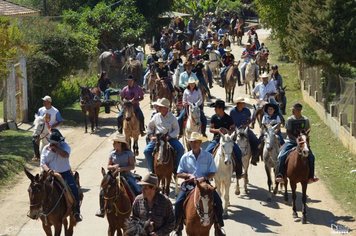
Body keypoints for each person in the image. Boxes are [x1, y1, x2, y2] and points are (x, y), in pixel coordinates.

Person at [173, 132, 225, 236]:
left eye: (196, 142)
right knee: (178, 202)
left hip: (204, 184)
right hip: (190, 184)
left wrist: (205, 177)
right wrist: (188, 176)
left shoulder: (208, 156)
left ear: (200, 143)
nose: (193, 144)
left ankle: (219, 226)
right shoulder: (185, 157)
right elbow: (179, 173)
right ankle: (177, 226)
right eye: (192, 142)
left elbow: (212, 172)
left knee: (218, 202)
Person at [40, 130, 82, 222]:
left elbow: (65, 155)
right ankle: (38, 209)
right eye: (51, 143)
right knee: (37, 188)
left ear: (59, 142)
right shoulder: (45, 149)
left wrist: (57, 149)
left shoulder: (65, 146)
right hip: (50, 173)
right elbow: (43, 163)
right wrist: (48, 170)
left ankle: (76, 211)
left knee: (74, 189)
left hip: (64, 173)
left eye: (55, 143)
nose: (52, 145)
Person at [95, 133, 142, 218]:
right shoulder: (112, 153)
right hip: (113, 175)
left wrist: (123, 168)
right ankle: (102, 209)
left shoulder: (129, 153)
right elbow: (108, 166)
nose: (113, 144)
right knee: (103, 190)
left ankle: (137, 209)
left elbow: (132, 166)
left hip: (126, 175)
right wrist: (113, 166)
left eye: (115, 142)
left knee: (137, 188)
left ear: (120, 143)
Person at [275, 103, 319, 184]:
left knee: (311, 157)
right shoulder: (290, 120)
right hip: (291, 142)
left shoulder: (305, 120)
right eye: (294, 110)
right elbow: (288, 132)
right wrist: (296, 140)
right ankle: (280, 174)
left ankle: (311, 176)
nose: (294, 111)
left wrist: (303, 140)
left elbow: (307, 131)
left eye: (296, 110)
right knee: (281, 156)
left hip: (302, 143)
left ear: (299, 110)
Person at [144, 98, 184, 173]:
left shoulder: (173, 118)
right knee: (146, 151)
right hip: (158, 138)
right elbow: (150, 126)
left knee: (180, 149)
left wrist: (170, 136)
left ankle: (176, 168)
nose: (158, 108)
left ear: (166, 108)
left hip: (170, 138)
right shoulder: (156, 116)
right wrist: (151, 136)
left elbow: (176, 130)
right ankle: (151, 170)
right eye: (159, 107)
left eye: (160, 107)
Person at [206, 99, 244, 177]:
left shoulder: (228, 118)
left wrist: (228, 131)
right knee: (206, 153)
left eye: (216, 108)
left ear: (220, 109)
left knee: (238, 152)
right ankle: (207, 173)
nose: (215, 109)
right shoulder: (214, 117)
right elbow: (210, 129)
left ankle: (238, 172)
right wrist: (218, 130)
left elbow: (233, 128)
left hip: (228, 139)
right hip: (217, 139)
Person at [229, 97, 260, 166]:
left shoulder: (247, 111)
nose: (244, 104)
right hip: (235, 130)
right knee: (228, 141)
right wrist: (233, 127)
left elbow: (249, 120)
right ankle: (229, 158)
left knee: (255, 141)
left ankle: (254, 158)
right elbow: (230, 121)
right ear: (238, 104)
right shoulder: (232, 111)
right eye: (243, 103)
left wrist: (246, 124)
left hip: (245, 129)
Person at [33, 95, 64, 160]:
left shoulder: (55, 111)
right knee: (34, 139)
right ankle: (36, 155)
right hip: (42, 128)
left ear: (49, 102)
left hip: (52, 129)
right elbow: (38, 119)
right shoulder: (40, 109)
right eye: (43, 101)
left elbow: (60, 121)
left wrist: (52, 126)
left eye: (45, 101)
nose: (43, 102)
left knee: (61, 139)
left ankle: (62, 153)